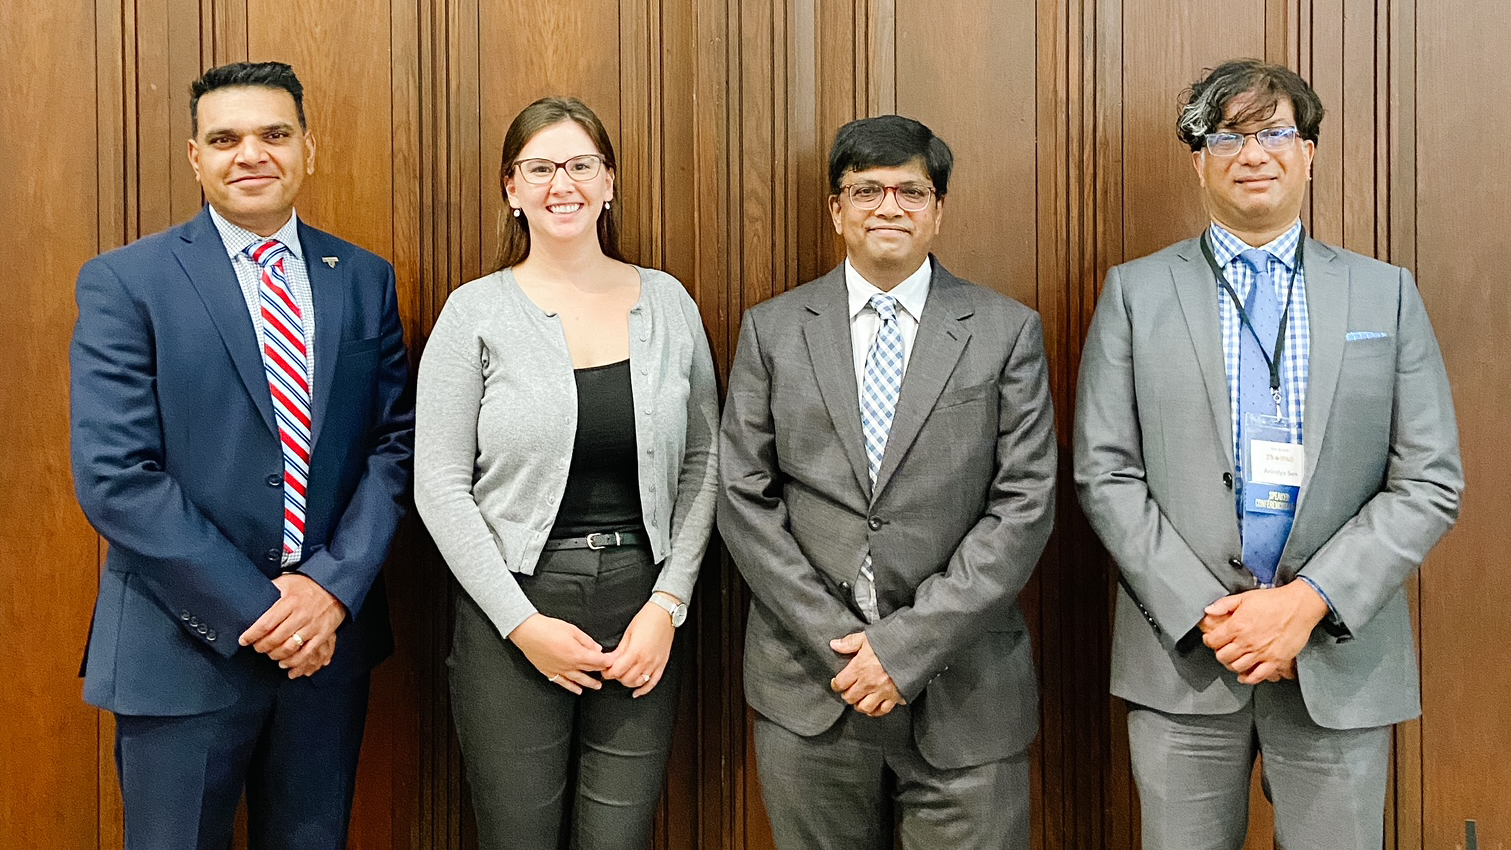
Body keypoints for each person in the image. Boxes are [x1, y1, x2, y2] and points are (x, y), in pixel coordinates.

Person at [1074, 58, 1463, 848]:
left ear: (1310, 152)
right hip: (1186, 657)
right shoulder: (1135, 293)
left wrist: (1306, 601)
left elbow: (1429, 479)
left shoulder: (1384, 292)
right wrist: (1215, 619)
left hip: (1339, 659)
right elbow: (1104, 471)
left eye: (1275, 132)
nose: (1253, 153)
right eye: (1227, 136)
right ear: (1199, 160)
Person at [69, 61, 414, 848]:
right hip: (178, 647)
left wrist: (328, 591)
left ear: (308, 150)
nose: (250, 153)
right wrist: (266, 612)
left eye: (273, 134)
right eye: (225, 138)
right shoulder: (127, 282)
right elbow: (117, 478)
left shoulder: (362, 278)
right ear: (196, 156)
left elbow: (395, 447)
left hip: (325, 652)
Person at [717, 114, 1056, 849]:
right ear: (836, 210)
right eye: (866, 189)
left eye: (911, 190)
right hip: (814, 684)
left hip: (967, 691)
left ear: (939, 209)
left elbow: (1023, 506)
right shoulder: (773, 331)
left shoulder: (1005, 331)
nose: (889, 207)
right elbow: (744, 499)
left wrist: (903, 651)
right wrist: (841, 643)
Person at [414, 96, 719, 850]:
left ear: (609, 181)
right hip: (513, 609)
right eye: (540, 168)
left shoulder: (669, 302)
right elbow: (439, 484)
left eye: (581, 165)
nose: (563, 185)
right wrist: (523, 626)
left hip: (641, 612)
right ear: (511, 189)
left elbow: (708, 460)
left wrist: (668, 605)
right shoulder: (473, 313)